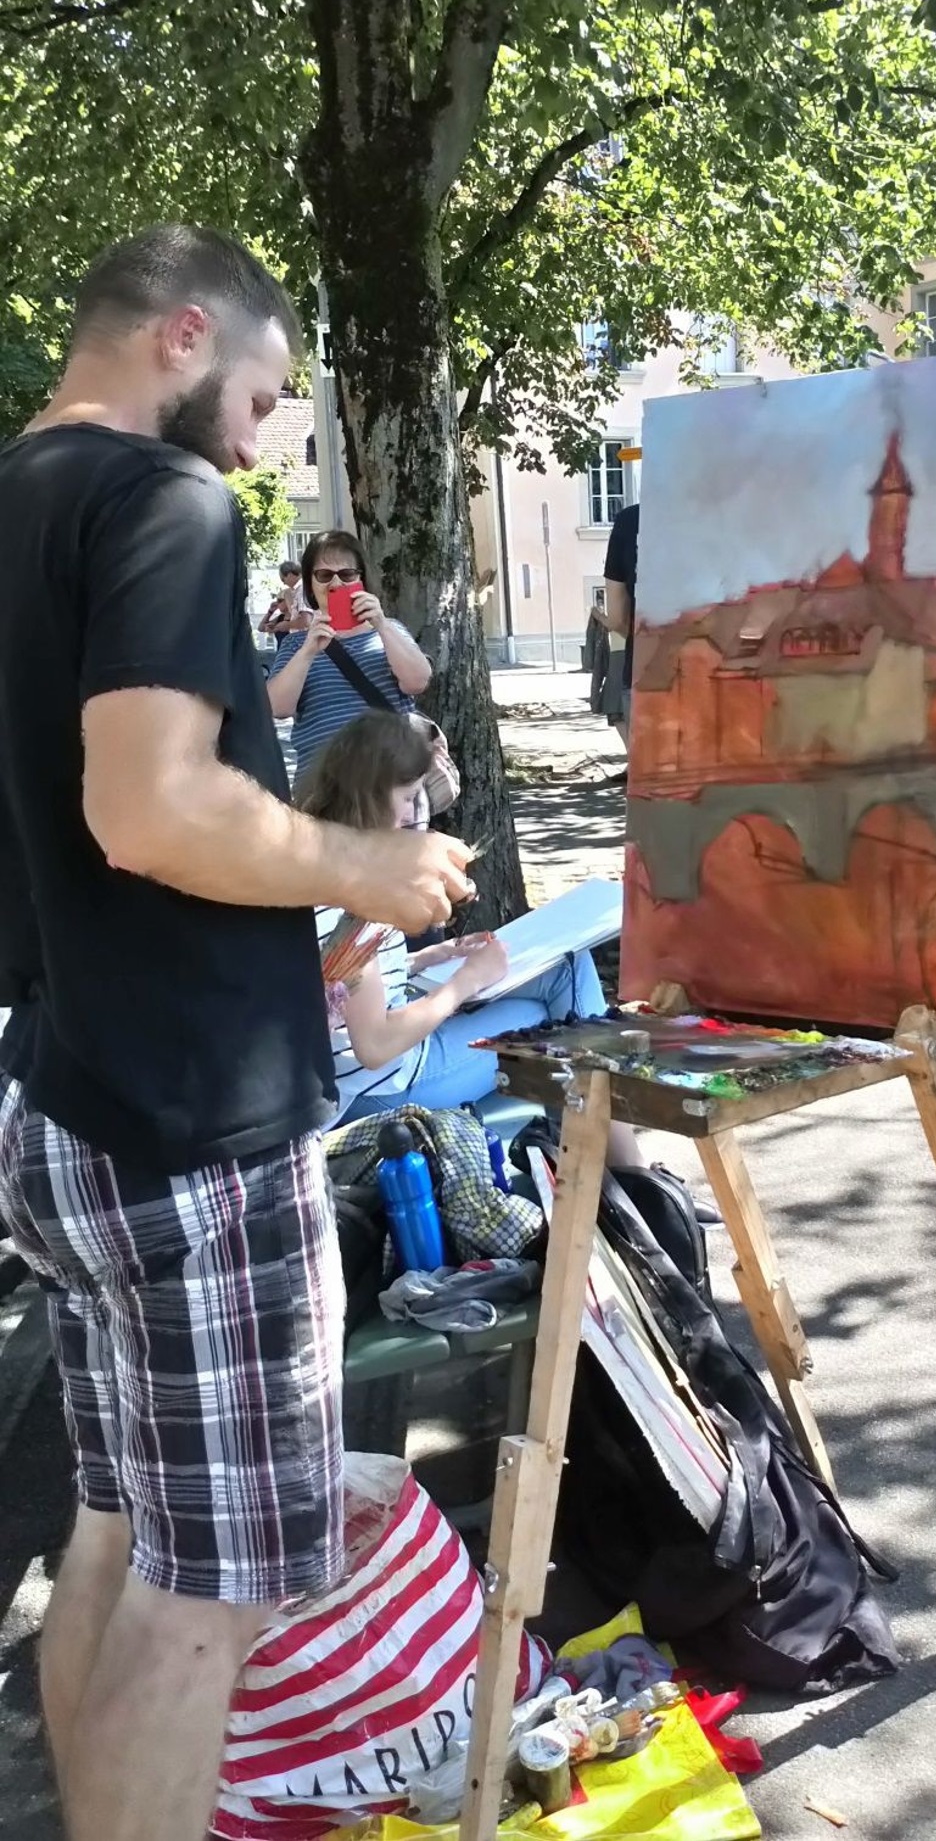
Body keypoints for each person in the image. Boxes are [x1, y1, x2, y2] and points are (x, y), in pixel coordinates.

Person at [0, 224, 474, 1841]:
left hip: (68, 1100)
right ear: (184, 335)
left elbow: (78, 822)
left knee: (117, 1543)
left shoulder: (16, 502)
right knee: (211, 1606)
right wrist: (373, 865)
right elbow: (151, 808)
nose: (263, 441)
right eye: (263, 397)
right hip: (199, 1125)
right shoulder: (160, 496)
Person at [300, 712, 643, 1165]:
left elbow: (341, 984)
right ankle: (627, 1172)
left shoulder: (317, 861)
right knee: (555, 1020)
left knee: (567, 977)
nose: (410, 813)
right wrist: (465, 981)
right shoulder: (361, 898)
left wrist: (423, 961)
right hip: (382, 1087)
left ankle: (605, 1165)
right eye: (406, 798)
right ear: (369, 798)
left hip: (355, 1078)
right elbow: (376, 1046)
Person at [265, 527, 432, 792]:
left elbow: (418, 682)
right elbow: (277, 708)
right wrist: (308, 651)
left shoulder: (390, 630)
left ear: (362, 579)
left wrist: (381, 624)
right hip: (325, 790)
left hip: (391, 787)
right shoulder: (298, 645)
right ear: (310, 584)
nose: (336, 584)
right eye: (324, 575)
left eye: (347, 574)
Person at [603, 500, 639, 748]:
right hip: (718, 676)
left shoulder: (629, 521)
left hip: (645, 670)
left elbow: (617, 619)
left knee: (654, 780)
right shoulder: (724, 514)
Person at [259, 558, 308, 640]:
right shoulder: (299, 590)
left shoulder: (301, 590)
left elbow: (306, 621)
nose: (283, 583)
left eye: (283, 579)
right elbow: (261, 628)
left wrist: (288, 625)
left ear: (289, 575)